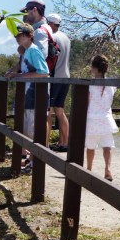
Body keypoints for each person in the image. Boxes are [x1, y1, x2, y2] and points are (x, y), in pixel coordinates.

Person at [4, 25, 48, 170]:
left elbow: (43, 72)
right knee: (26, 130)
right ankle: (30, 160)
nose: (18, 38)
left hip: (33, 97)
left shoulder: (34, 51)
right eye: (17, 35)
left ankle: (35, 164)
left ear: (29, 35)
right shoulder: (27, 51)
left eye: (21, 35)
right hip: (27, 97)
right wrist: (13, 72)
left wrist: (18, 75)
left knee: (31, 131)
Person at [85, 52, 118, 182]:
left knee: (90, 146)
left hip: (92, 118)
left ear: (95, 68)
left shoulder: (91, 85)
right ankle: (108, 169)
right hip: (106, 118)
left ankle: (88, 169)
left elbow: (87, 101)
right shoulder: (112, 84)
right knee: (107, 146)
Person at [47, 13, 72, 150]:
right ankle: (64, 142)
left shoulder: (52, 37)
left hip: (55, 76)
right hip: (66, 76)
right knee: (60, 110)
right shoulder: (66, 37)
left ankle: (45, 143)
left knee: (49, 110)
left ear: (50, 23)